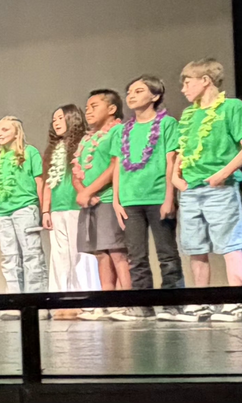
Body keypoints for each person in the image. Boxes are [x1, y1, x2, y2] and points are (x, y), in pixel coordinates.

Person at [172, 59, 242, 322]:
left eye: (187, 82)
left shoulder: (232, 107)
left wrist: (223, 174)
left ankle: (237, 302)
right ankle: (200, 302)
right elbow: (184, 148)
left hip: (220, 188)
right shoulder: (188, 114)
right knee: (195, 248)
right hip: (191, 190)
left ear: (205, 80)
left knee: (229, 244)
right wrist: (174, 175)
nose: (183, 88)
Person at [110, 76, 185, 321]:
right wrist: (116, 200)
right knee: (136, 255)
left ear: (154, 96)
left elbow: (170, 160)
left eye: (138, 91)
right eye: (129, 91)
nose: (131, 95)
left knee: (166, 252)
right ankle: (142, 305)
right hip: (130, 200)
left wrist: (169, 197)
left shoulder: (167, 124)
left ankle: (174, 304)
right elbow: (118, 164)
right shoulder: (121, 130)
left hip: (157, 196)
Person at [41, 105, 100, 320]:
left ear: (72, 118)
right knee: (59, 256)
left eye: (60, 118)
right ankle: (61, 300)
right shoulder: (52, 150)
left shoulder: (83, 143)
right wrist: (45, 209)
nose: (55, 122)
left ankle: (85, 300)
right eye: (53, 118)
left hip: (77, 206)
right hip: (57, 208)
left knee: (80, 254)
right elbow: (48, 182)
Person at [75, 89, 129, 320]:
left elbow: (113, 166)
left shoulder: (117, 131)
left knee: (117, 251)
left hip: (107, 199)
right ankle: (107, 301)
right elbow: (76, 168)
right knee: (100, 252)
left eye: (94, 106)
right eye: (86, 107)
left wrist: (90, 190)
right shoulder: (87, 138)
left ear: (112, 109)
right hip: (90, 202)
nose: (88, 111)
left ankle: (128, 302)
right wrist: (81, 191)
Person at [0, 116, 49, 321]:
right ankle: (15, 301)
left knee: (31, 255)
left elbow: (39, 182)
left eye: (5, 129)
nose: (0, 133)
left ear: (17, 132)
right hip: (3, 211)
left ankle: (36, 302)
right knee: (10, 257)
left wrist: (42, 210)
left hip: (25, 208)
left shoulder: (29, 153)